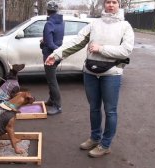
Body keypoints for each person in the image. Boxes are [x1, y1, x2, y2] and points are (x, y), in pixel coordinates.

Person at [45, 0, 134, 157]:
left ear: (119, 5)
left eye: (114, 2)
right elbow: (76, 42)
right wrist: (56, 54)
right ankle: (94, 138)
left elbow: (125, 51)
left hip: (111, 74)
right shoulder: (94, 24)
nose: (111, 5)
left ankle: (105, 144)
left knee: (110, 111)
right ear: (104, 4)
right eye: (108, 2)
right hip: (90, 72)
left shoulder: (125, 26)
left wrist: (101, 49)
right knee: (94, 108)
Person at [41, 1, 65, 115]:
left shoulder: (49, 23)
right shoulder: (61, 22)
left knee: (52, 81)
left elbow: (50, 44)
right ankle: (51, 100)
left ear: (47, 10)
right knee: (51, 79)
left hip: (50, 56)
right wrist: (59, 52)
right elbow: (56, 39)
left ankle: (57, 106)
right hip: (56, 54)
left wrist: (45, 42)